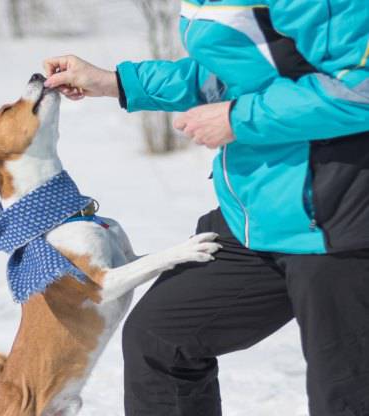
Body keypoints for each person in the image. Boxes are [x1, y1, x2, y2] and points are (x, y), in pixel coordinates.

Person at [43, 2, 369, 415]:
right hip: (257, 212)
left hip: (339, 216)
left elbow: (361, 86)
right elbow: (237, 71)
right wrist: (114, 82)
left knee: (345, 396)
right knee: (162, 340)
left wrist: (239, 118)